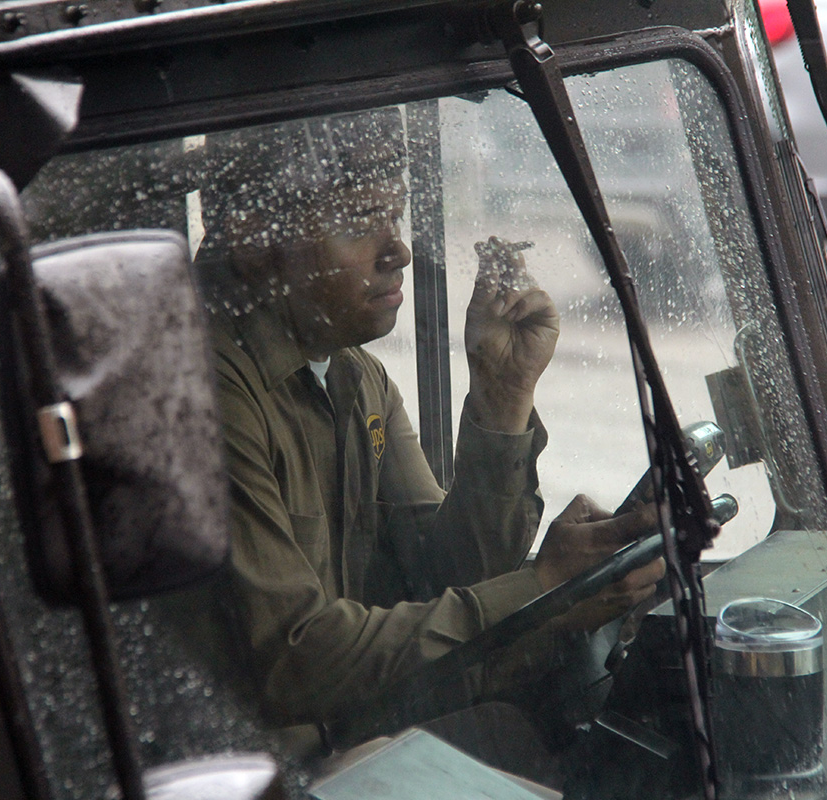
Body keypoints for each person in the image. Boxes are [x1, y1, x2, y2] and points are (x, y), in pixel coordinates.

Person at [192, 109, 666, 756]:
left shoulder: (356, 380)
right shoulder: (202, 395)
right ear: (253, 241)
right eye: (362, 221)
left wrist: (503, 398)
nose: (399, 251)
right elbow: (294, 660)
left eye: (396, 216)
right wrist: (542, 586)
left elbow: (446, 577)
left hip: (347, 739)